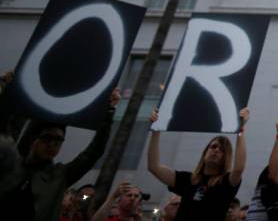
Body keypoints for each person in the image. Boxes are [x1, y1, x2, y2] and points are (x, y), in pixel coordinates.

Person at [0, 86, 120, 221]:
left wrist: (109, 111)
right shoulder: (10, 164)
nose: (52, 145)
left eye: (58, 141)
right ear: (33, 139)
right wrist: (6, 91)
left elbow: (94, 152)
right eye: (47, 138)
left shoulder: (60, 176)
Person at [147, 106, 250, 220]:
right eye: (213, 146)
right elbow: (154, 167)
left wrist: (241, 129)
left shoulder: (226, 182)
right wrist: (156, 130)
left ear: (226, 158)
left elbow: (239, 168)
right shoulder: (188, 179)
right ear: (205, 152)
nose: (216, 150)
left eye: (222, 150)